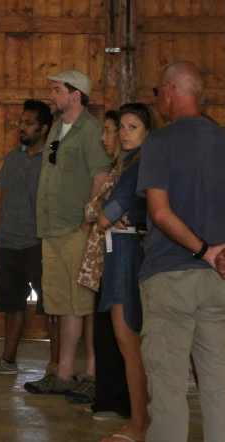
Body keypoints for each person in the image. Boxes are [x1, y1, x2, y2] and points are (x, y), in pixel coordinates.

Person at [137, 61, 225, 442]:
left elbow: (161, 214)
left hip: (172, 279)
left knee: (168, 392)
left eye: (158, 92)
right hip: (219, 284)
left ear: (169, 91)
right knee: (217, 389)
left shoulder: (159, 143)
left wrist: (206, 252)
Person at [25, 70, 112, 403]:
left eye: (56, 90)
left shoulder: (91, 131)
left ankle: (91, 374)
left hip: (77, 230)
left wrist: (87, 225)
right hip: (51, 229)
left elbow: (101, 179)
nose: (51, 96)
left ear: (76, 96)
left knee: (86, 304)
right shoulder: (58, 129)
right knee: (62, 305)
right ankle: (63, 374)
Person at [0, 99, 58, 376]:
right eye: (20, 122)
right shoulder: (13, 157)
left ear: (44, 128)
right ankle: (7, 361)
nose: (22, 127)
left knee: (52, 306)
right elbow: (2, 198)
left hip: (38, 243)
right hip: (8, 243)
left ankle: (56, 366)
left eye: (29, 123)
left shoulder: (51, 159)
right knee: (12, 302)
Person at [96, 103, 159, 442]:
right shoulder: (127, 163)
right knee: (128, 343)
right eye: (121, 126)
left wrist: (104, 212)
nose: (123, 132)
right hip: (119, 251)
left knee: (129, 343)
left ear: (147, 131)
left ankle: (140, 424)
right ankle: (141, 420)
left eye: (133, 127)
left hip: (124, 256)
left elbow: (104, 215)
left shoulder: (137, 167)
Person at [78, 110, 131, 420]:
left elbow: (104, 213)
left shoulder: (129, 172)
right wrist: (100, 205)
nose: (105, 137)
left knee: (116, 336)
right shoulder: (115, 170)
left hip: (118, 263)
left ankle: (120, 401)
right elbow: (92, 210)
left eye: (110, 131)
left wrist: (101, 207)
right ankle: (107, 397)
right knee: (103, 334)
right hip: (103, 263)